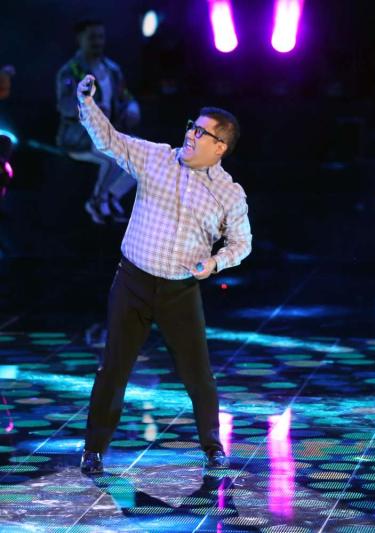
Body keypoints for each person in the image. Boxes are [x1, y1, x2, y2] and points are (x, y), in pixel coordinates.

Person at [74, 73, 252, 475]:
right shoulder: (155, 157)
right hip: (133, 282)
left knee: (197, 374)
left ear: (220, 147)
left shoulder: (229, 193)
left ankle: (212, 447)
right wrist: (86, 103)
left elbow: (242, 243)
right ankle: (93, 450)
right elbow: (110, 140)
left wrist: (215, 263)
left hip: (179, 291)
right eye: (191, 126)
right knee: (114, 368)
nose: (190, 134)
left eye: (201, 132)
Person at [56, 18, 140, 223]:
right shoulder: (71, 70)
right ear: (80, 39)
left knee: (140, 156)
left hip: (111, 132)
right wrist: (88, 108)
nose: (98, 42)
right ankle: (97, 201)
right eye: (92, 37)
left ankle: (110, 197)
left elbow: (124, 95)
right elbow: (65, 105)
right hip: (81, 136)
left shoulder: (112, 69)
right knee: (113, 158)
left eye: (101, 37)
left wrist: (132, 107)